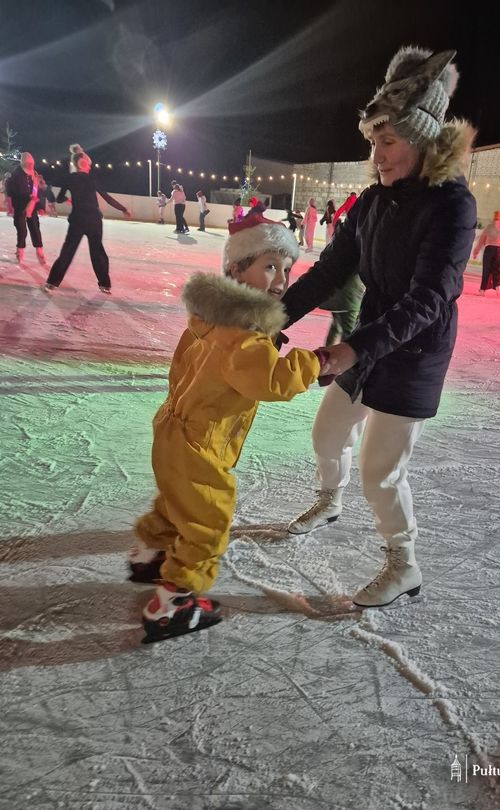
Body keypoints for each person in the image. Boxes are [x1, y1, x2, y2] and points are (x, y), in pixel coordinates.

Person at [281, 46, 477, 609]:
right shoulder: (370, 202)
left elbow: (430, 298)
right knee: (326, 436)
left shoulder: (452, 206)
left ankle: (403, 563)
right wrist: (271, 319)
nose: (377, 154)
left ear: (421, 139)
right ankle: (329, 500)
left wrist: (352, 349)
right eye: (373, 141)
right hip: (370, 342)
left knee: (380, 473)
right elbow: (328, 271)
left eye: (388, 141)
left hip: (415, 354)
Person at [129, 214, 322, 643]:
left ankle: (149, 554)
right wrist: (315, 362)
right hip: (201, 444)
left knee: (177, 502)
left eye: (286, 268)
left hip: (172, 429)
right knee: (208, 522)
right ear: (236, 268)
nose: (281, 280)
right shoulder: (243, 337)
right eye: (269, 266)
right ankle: (172, 605)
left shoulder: (208, 317)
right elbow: (272, 381)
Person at [44, 144, 131, 293]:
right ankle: (105, 284)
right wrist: (123, 209)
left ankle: (52, 282)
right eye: (88, 164)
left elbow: (59, 198)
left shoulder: (70, 178)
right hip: (94, 221)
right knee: (97, 252)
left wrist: (68, 198)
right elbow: (107, 197)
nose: (90, 166)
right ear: (82, 163)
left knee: (67, 252)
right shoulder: (92, 179)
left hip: (77, 220)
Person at [5, 152, 46, 265]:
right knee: (22, 230)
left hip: (32, 207)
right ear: (24, 163)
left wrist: (40, 206)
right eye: (29, 163)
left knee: (35, 229)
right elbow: (10, 191)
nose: (31, 165)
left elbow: (38, 192)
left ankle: (39, 250)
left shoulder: (34, 174)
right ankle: (20, 250)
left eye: (32, 163)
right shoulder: (16, 174)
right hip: (19, 207)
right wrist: (17, 200)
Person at [472, 210, 500, 294]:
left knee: (486, 269)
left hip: (489, 249)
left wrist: (476, 252)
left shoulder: (489, 227)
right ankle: (498, 286)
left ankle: (483, 289)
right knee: (499, 269)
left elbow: (481, 240)